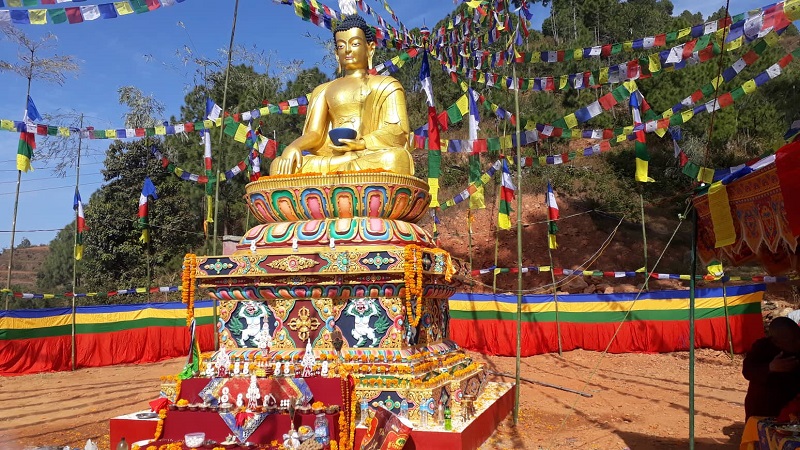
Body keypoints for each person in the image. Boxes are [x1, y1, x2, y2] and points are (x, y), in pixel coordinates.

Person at [269, 14, 414, 176]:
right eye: (341, 45)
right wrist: (294, 146)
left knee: (394, 158)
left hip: (367, 154)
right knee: (279, 165)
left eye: (355, 43)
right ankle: (344, 166)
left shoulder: (386, 84)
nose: (348, 50)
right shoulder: (323, 89)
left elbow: (398, 131)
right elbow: (314, 133)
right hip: (332, 158)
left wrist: (362, 143)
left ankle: (346, 167)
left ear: (370, 48)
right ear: (336, 54)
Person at [742, 316, 800, 420]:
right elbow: (747, 371)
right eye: (792, 341)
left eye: (798, 338)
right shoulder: (762, 348)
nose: (798, 343)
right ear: (775, 341)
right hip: (764, 407)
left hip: (792, 407)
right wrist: (770, 367)